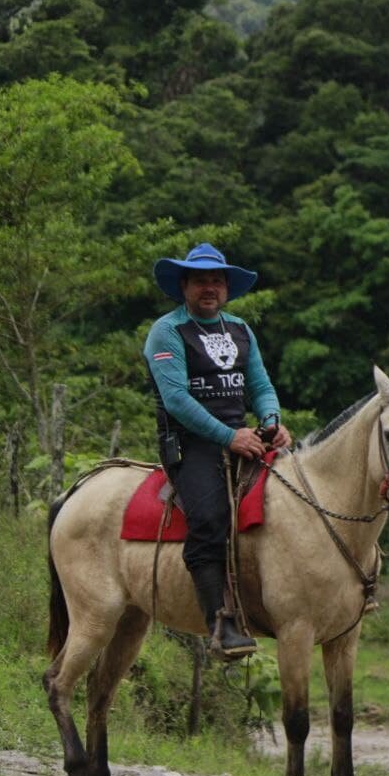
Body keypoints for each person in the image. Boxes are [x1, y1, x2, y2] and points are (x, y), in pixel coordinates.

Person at [144, 243, 292, 660]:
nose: (209, 288)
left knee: (298, 496)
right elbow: (176, 400)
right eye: (200, 280)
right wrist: (229, 437)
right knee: (209, 518)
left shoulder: (240, 329)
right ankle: (220, 622)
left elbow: (260, 387)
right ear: (184, 286)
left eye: (216, 280)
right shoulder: (167, 331)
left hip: (243, 439)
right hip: (191, 445)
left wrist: (271, 421)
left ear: (226, 287)